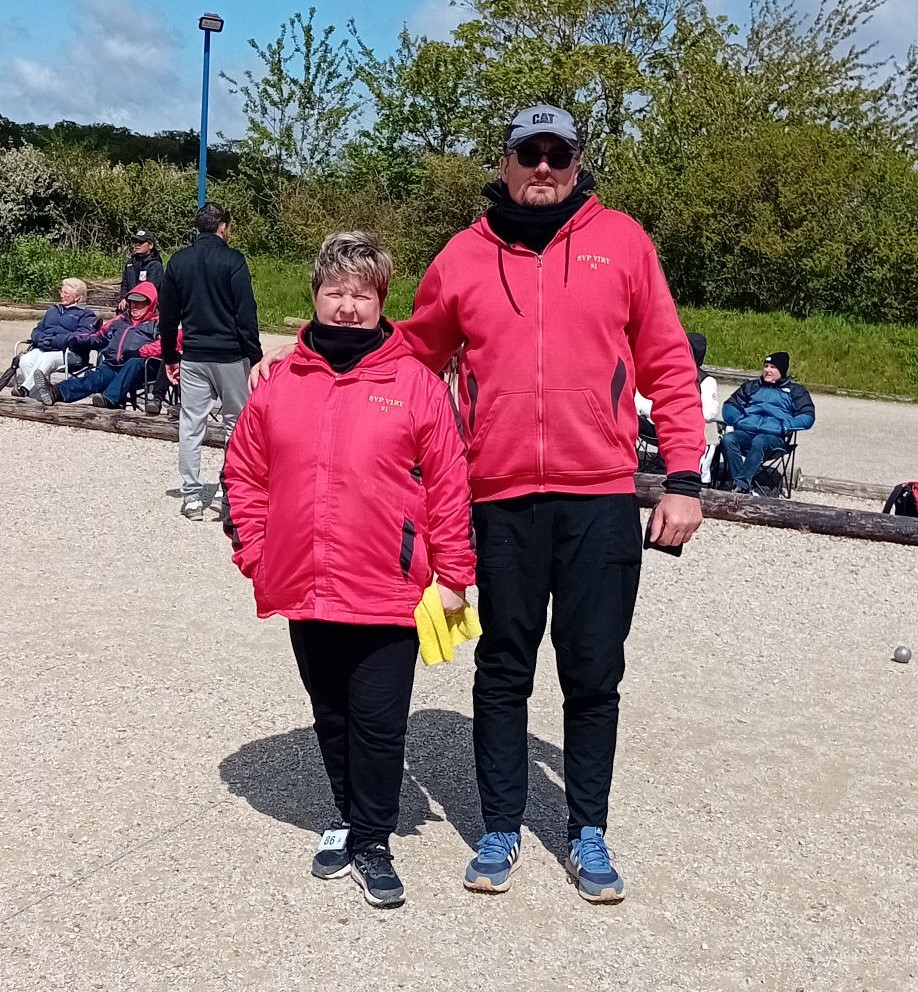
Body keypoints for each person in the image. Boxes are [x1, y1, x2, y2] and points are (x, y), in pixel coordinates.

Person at [251, 105, 705, 903]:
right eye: (526, 154)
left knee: (594, 670)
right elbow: (408, 353)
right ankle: (501, 823)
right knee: (502, 670)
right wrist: (299, 367)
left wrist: (685, 478)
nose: (541, 167)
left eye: (555, 153)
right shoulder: (463, 255)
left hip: (598, 494)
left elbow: (667, 360)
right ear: (502, 163)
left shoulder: (624, 242)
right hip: (498, 495)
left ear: (575, 161)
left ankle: (586, 828)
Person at [223, 231, 475, 909]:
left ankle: (373, 839)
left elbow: (449, 487)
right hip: (303, 579)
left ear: (381, 301)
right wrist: (255, 549)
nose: (346, 305)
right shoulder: (279, 383)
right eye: (334, 291)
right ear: (314, 296)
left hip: (388, 584)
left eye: (361, 294)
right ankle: (346, 815)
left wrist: (452, 575)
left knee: (379, 721)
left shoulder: (416, 384)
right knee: (330, 713)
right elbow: (244, 473)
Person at [158, 202, 262, 521]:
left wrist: (169, 356)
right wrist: (255, 356)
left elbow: (168, 315)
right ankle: (227, 489)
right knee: (236, 423)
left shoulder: (179, 261)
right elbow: (246, 313)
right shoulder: (233, 260)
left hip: (194, 354)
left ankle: (190, 495)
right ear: (222, 227)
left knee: (191, 424)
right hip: (231, 355)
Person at [32, 283, 159, 408]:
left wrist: (141, 352)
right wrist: (79, 339)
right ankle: (56, 392)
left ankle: (110, 399)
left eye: (140, 302)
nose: (135, 306)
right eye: (132, 301)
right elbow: (99, 336)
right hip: (113, 365)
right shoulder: (120, 320)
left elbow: (166, 344)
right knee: (93, 378)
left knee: (134, 362)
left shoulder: (157, 323)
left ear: (150, 304)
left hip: (142, 369)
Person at [720, 351, 815, 494]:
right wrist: (738, 420)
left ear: (782, 370)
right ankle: (740, 485)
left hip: (774, 438)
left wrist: (785, 426)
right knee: (729, 439)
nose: (767, 370)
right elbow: (730, 406)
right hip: (747, 432)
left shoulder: (796, 391)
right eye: (766, 366)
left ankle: (740, 486)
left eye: (772, 367)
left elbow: (807, 416)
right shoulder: (751, 386)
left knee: (760, 441)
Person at [635, 332, 719, 482]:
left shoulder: (706, 381)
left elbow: (708, 413)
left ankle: (662, 472)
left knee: (675, 424)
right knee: (626, 419)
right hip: (652, 422)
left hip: (678, 428)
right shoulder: (665, 372)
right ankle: (628, 464)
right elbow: (641, 401)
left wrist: (679, 413)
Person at [11, 279, 98, 396]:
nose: (61, 295)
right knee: (25, 360)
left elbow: (83, 335)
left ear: (77, 297)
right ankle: (39, 396)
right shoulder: (52, 311)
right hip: (45, 348)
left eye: (66, 293)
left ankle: (25, 389)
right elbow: (37, 330)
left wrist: (58, 341)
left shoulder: (86, 314)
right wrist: (40, 339)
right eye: (61, 292)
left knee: (47, 358)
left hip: (71, 353)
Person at [118, 229, 164, 310]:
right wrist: (123, 298)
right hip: (130, 305)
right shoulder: (130, 263)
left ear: (150, 245)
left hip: (147, 307)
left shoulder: (155, 265)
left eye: (141, 242)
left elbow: (150, 289)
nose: (137, 245)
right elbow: (124, 285)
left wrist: (132, 300)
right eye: (135, 242)